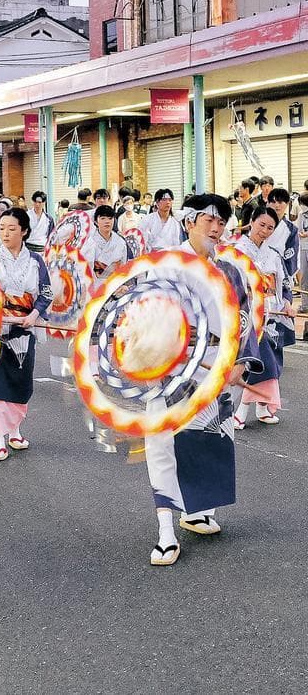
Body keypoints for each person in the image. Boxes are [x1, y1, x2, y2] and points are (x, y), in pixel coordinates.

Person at [144, 193, 262, 566]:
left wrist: (241, 360)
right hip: (171, 369)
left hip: (216, 369)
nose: (217, 227)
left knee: (208, 440)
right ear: (189, 222)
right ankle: (165, 529)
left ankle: (194, 511)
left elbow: (242, 319)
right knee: (164, 445)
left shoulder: (230, 271)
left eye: (222, 221)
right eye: (209, 219)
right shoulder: (166, 265)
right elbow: (146, 316)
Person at [0, 207, 53, 461]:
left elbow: (46, 292)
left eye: (12, 229)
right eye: (2, 228)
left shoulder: (35, 260)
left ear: (24, 231)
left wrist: (34, 315)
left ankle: (15, 431)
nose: (5, 233)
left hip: (26, 328)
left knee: (20, 379)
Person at [234, 206, 294, 427]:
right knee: (261, 362)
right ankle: (241, 410)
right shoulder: (237, 251)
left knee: (270, 362)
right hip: (247, 313)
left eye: (270, 227)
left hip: (272, 313)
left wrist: (287, 303)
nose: (265, 231)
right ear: (251, 221)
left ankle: (261, 408)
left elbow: (284, 283)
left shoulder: (273, 253)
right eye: (261, 225)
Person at [82, 205, 128, 279]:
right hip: (95, 283)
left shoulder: (120, 242)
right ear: (96, 222)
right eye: (103, 218)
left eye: (110, 218)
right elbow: (86, 268)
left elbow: (123, 265)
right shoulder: (89, 242)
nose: (107, 221)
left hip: (115, 282)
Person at [265, 188, 299, 277]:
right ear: (267, 203)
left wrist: (285, 276)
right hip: (259, 270)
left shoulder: (291, 230)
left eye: (280, 202)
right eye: (273, 202)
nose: (277, 205)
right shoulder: (260, 223)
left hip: (280, 273)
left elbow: (291, 256)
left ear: (287, 204)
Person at [296, 191, 308, 314]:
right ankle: (305, 304)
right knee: (304, 277)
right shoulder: (300, 214)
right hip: (303, 248)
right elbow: (299, 230)